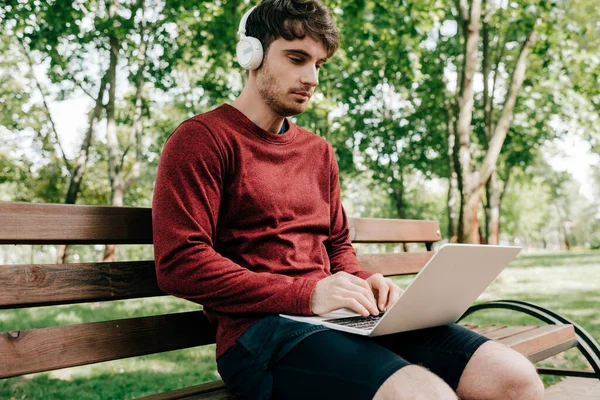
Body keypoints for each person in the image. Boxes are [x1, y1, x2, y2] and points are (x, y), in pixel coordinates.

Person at [152, 1, 544, 399]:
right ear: (250, 54)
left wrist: (362, 283)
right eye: (297, 58)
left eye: (319, 64)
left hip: (341, 320)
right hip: (260, 335)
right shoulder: (202, 140)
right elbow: (179, 263)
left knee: (513, 376)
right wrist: (307, 294)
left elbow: (337, 244)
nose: (312, 78)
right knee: (422, 395)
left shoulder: (318, 151)